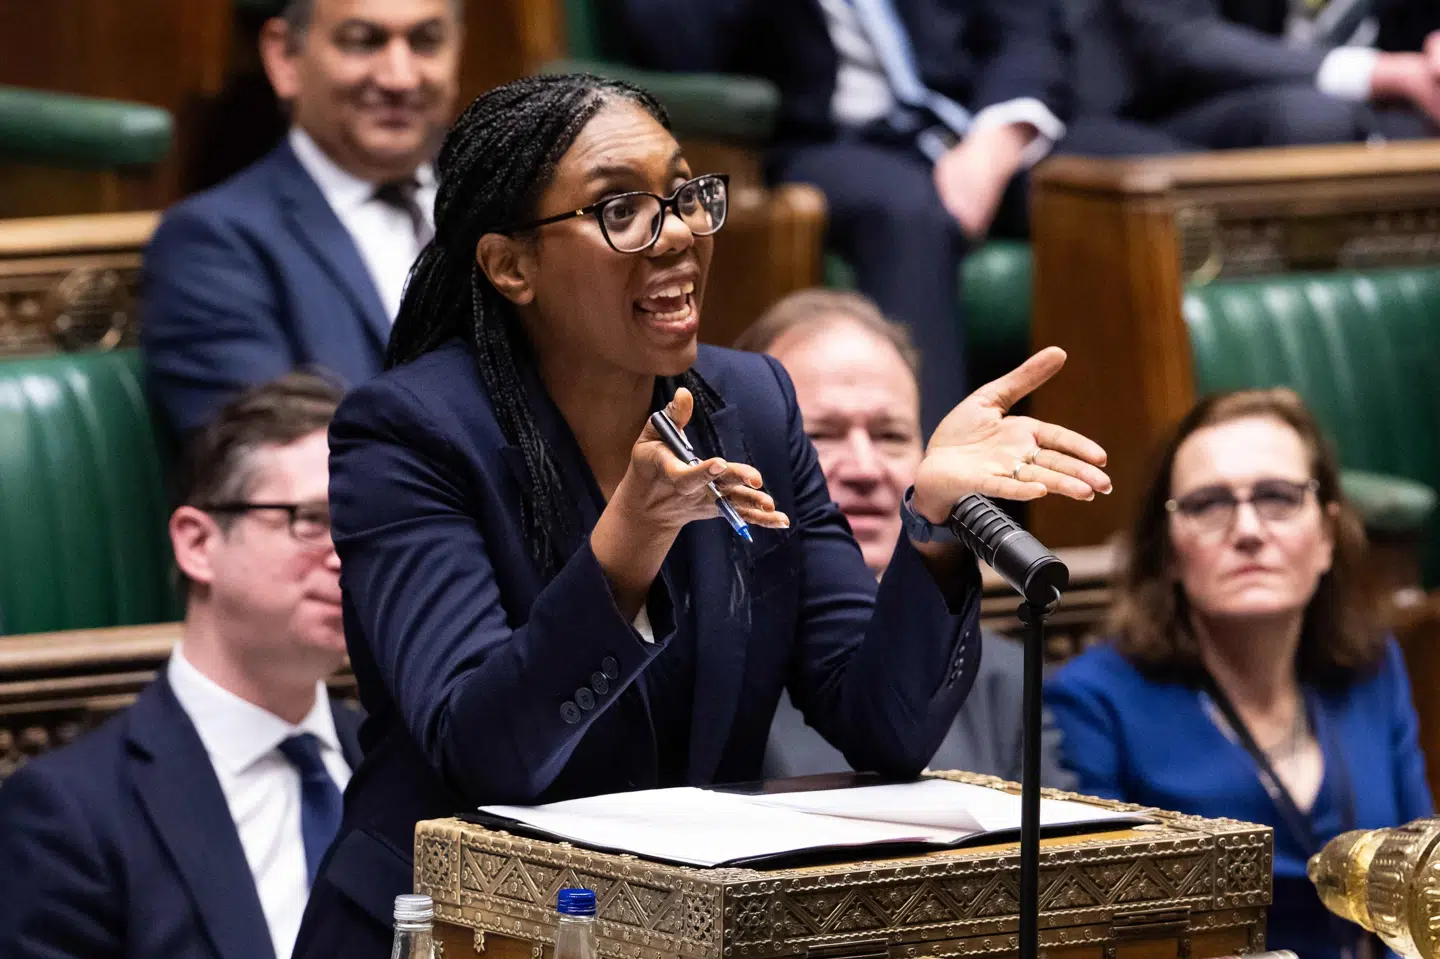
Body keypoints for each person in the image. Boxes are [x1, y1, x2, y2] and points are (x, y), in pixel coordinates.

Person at [287, 73, 1112, 959]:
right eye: (620, 209)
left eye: (685, 195)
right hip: (449, 932)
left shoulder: (751, 404)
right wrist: (627, 545)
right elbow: (482, 749)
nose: (677, 231)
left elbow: (882, 726)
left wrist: (936, 527)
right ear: (510, 265)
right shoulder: (412, 435)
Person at [618, 0, 1183, 433]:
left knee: (1150, 177)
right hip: (824, 141)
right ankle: (934, 518)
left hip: (975, 124)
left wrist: (998, 139)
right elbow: (676, 42)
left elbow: (1025, 29)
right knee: (909, 215)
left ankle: (1164, 490)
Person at [1044, 388, 1432, 959]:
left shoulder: (1373, 667)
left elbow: (1420, 877)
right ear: (1171, 551)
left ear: (1325, 536)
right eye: (1208, 504)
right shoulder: (1093, 703)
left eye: (1278, 497)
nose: (1248, 529)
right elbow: (1100, 938)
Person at [0, 374, 364, 959]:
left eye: (365, 526)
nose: (348, 556)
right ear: (198, 543)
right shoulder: (68, 814)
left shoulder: (402, 770)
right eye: (313, 520)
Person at [735, 289, 1074, 786]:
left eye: (891, 436)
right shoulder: (721, 669)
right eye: (819, 436)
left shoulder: (1004, 678)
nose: (866, 469)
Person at [141, 0, 462, 438]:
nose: (399, 78)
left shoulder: (510, 208)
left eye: (426, 42)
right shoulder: (213, 243)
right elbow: (274, 464)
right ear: (284, 56)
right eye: (362, 42)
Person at [1074, 0, 1440, 148]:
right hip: (1146, 118)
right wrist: (1385, 72)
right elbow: (1182, 43)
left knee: (1415, 131)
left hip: (1327, 93)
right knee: (1311, 119)